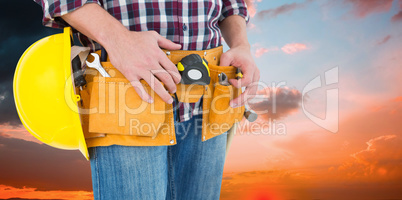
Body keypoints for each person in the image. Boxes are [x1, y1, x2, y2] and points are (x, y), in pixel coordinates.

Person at [34, 0, 260, 199]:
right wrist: (118, 40)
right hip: (127, 91)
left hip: (209, 99)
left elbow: (232, 3)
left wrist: (241, 44)